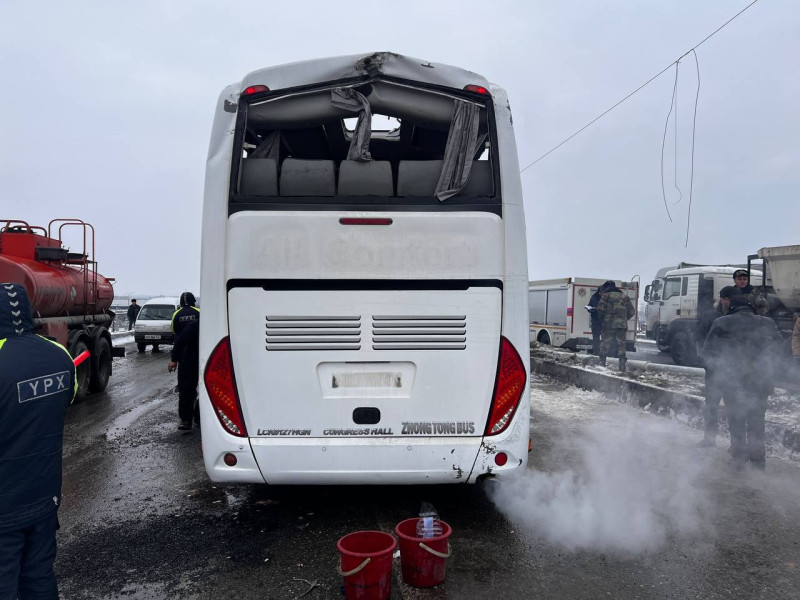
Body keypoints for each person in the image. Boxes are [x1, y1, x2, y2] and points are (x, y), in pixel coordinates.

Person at [0, 283, 76, 598]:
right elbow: (67, 399)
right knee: (39, 576)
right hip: (45, 496)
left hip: (5, 503)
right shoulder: (58, 354)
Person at [702, 295, 783, 469]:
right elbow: (779, 348)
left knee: (736, 419)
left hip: (733, 380)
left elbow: (708, 352)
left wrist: (717, 373)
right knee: (757, 420)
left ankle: (738, 459)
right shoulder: (767, 323)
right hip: (761, 381)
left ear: (732, 307)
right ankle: (758, 461)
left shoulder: (721, 322)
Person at [693, 285, 736, 447]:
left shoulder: (736, 316)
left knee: (733, 406)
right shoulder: (711, 316)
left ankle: (735, 444)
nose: (730, 303)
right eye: (728, 300)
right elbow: (699, 337)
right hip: (713, 369)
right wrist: (706, 360)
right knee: (711, 404)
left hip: (733, 371)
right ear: (723, 300)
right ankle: (709, 439)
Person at [596, 280, 635, 372]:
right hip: (621, 326)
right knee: (621, 344)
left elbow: (600, 310)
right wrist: (623, 319)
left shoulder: (605, 296)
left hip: (608, 325)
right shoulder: (625, 297)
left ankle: (602, 364)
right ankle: (622, 365)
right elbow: (632, 311)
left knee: (605, 344)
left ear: (607, 288)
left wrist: (602, 319)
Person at [168, 319, 200, 430]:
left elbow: (179, 341)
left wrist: (174, 360)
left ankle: (195, 417)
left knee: (189, 390)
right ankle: (187, 419)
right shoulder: (194, 326)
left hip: (209, 360)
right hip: (191, 361)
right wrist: (174, 359)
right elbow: (180, 342)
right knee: (187, 390)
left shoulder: (194, 324)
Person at [587, 284, 606, 355]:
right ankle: (596, 352)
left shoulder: (606, 298)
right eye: (601, 292)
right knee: (596, 339)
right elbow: (589, 306)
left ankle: (604, 353)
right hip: (595, 321)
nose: (602, 293)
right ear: (599, 291)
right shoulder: (594, 297)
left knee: (605, 339)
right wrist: (590, 309)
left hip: (604, 322)